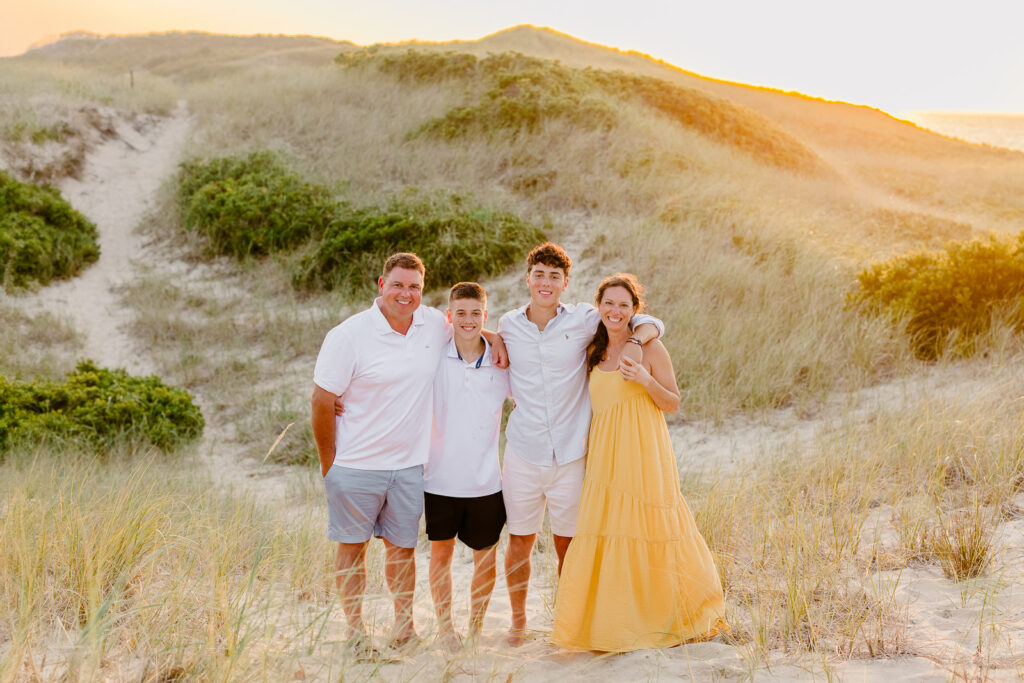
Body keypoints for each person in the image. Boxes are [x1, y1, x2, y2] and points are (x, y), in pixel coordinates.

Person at [310, 253, 505, 658]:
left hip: (409, 467)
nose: (406, 293)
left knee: (401, 551)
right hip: (356, 465)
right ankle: (355, 632)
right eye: (398, 285)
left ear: (422, 290)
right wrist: (330, 465)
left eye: (414, 286)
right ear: (381, 285)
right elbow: (322, 399)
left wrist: (494, 336)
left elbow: (467, 324)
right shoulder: (348, 335)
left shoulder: (432, 324)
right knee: (352, 550)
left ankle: (403, 628)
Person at [497, 243, 664, 646]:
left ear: (565, 283)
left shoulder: (586, 320)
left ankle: (565, 620)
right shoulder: (507, 324)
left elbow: (645, 319)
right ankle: (518, 621)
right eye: (539, 274)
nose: (546, 283)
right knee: (520, 539)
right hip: (523, 450)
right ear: (528, 279)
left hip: (571, 454)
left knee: (568, 544)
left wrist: (640, 341)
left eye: (555, 277)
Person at [551, 274, 727, 652]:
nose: (615, 311)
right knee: (609, 529)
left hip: (643, 453)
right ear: (599, 307)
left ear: (635, 311)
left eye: (624, 305)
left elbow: (672, 403)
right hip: (604, 457)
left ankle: (664, 619)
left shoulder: (651, 348)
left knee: (651, 529)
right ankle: (610, 626)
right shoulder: (593, 352)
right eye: (609, 304)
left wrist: (646, 378)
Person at [424, 282, 510, 649]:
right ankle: (446, 629)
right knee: (440, 555)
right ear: (449, 316)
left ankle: (475, 629)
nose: (468, 320)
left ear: (485, 315)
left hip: (485, 482)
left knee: (485, 559)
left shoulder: (502, 361)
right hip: (439, 479)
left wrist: (497, 340)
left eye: (476, 313)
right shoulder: (432, 355)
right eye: (460, 313)